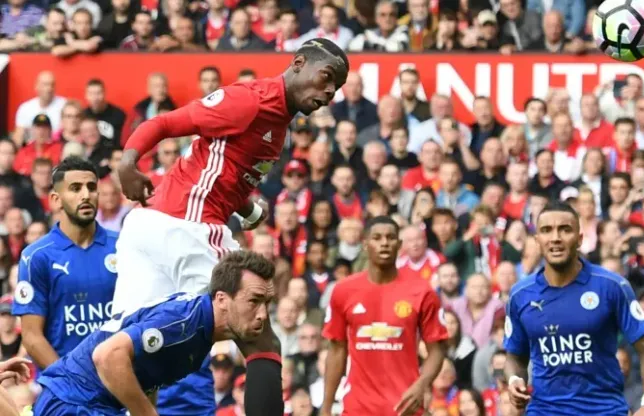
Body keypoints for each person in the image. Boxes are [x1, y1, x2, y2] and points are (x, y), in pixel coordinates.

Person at [112, 38, 349, 415]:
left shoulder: (279, 124)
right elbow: (165, 122)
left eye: (336, 86)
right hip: (188, 227)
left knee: (132, 352)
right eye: (326, 77)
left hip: (148, 228)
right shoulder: (250, 100)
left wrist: (248, 209)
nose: (330, 91)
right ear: (298, 63)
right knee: (260, 339)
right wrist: (127, 163)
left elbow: (222, 171)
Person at [32, 250, 275, 416]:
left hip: (86, 402)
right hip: (73, 401)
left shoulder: (202, 331)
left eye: (267, 303)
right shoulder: (184, 323)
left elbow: (147, 372)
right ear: (221, 299)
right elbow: (107, 356)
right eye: (254, 301)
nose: (263, 314)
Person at [503, 201, 644, 415]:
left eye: (565, 229)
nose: (555, 238)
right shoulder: (520, 295)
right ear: (537, 240)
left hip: (604, 410)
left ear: (579, 239)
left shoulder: (612, 286)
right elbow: (515, 357)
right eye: (547, 230)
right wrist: (514, 379)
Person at [321, 216, 449, 415]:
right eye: (377, 238)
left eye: (390, 238)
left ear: (399, 244)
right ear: (365, 244)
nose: (384, 243)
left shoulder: (422, 291)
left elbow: (437, 349)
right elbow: (337, 350)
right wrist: (326, 407)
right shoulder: (343, 291)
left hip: (404, 407)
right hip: (357, 408)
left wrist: (422, 384)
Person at [12, 157, 118, 370]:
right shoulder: (36, 256)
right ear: (56, 200)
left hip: (118, 380)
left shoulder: (122, 246)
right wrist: (70, 380)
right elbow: (32, 337)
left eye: (91, 187)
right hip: (66, 384)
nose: (86, 195)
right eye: (75, 188)